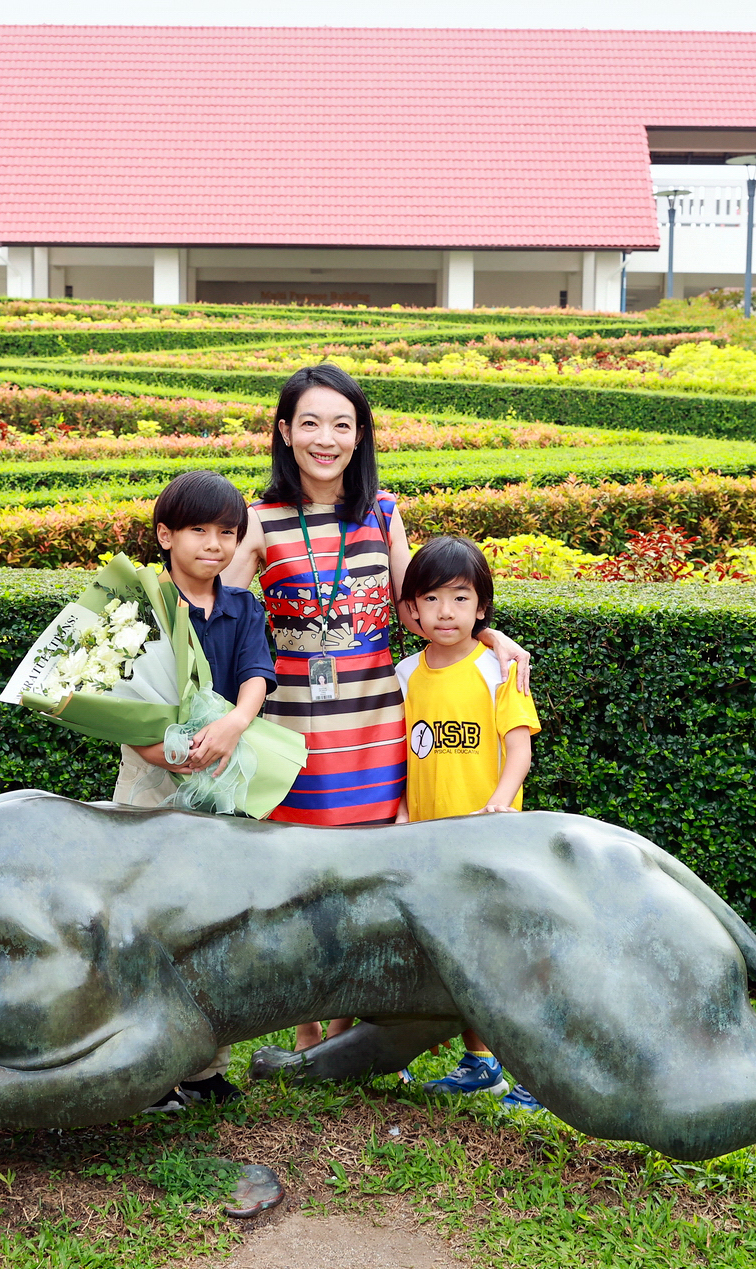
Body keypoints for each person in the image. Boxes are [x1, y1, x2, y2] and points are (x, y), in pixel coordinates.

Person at [221, 364, 531, 1053]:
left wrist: (490, 632)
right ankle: (304, 1028)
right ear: (283, 433)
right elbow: (222, 612)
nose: (325, 438)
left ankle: (344, 1031)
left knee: (367, 881)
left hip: (374, 726)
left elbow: (418, 607)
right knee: (301, 882)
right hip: (296, 730)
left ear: (360, 437)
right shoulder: (258, 520)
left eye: (341, 424)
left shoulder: (384, 513)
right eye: (310, 423)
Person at [116, 470, 276, 1108]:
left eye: (228, 534)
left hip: (223, 773)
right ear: (165, 534)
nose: (214, 544)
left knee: (214, 919)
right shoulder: (138, 608)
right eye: (198, 531)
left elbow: (257, 673)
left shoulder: (243, 608)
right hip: (151, 779)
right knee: (147, 919)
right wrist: (159, 750)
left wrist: (236, 725)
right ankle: (146, 1067)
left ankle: (206, 1067)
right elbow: (115, 697)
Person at [392, 536, 545, 1112]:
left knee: (504, 960)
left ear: (481, 607)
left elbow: (518, 749)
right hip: (432, 843)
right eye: (431, 599)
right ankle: (480, 1062)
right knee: (458, 955)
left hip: (491, 840)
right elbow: (402, 755)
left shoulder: (497, 668)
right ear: (412, 610)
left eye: (460, 598)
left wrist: (500, 805)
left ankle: (533, 1071)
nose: (445, 612)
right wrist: (405, 816)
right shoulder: (407, 674)